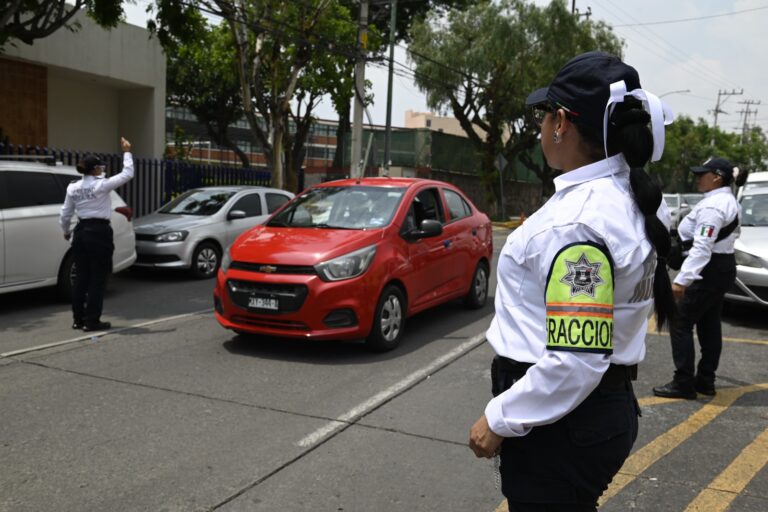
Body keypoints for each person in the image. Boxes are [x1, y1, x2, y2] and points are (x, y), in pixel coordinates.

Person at [468, 51, 677, 511]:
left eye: (544, 116)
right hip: (596, 412)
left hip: (562, 423)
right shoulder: (634, 196)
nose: (540, 127)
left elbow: (575, 361)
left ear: (561, 122)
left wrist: (500, 418)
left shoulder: (576, 224)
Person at [653, 157, 746, 399]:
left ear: (716, 177)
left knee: (680, 322)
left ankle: (683, 382)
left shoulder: (713, 207)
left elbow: (703, 247)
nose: (697, 178)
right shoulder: (728, 201)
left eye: (702, 174)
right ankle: (705, 380)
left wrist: (682, 280)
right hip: (722, 266)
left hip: (708, 269)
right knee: (709, 323)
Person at [59, 137, 134, 332]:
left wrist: (66, 231)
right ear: (94, 170)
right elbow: (128, 173)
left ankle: (78, 319)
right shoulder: (101, 185)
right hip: (99, 233)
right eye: (100, 167)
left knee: (81, 277)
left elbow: (65, 213)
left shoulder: (73, 187)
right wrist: (126, 151)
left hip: (81, 232)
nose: (102, 169)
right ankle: (92, 321)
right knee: (98, 278)